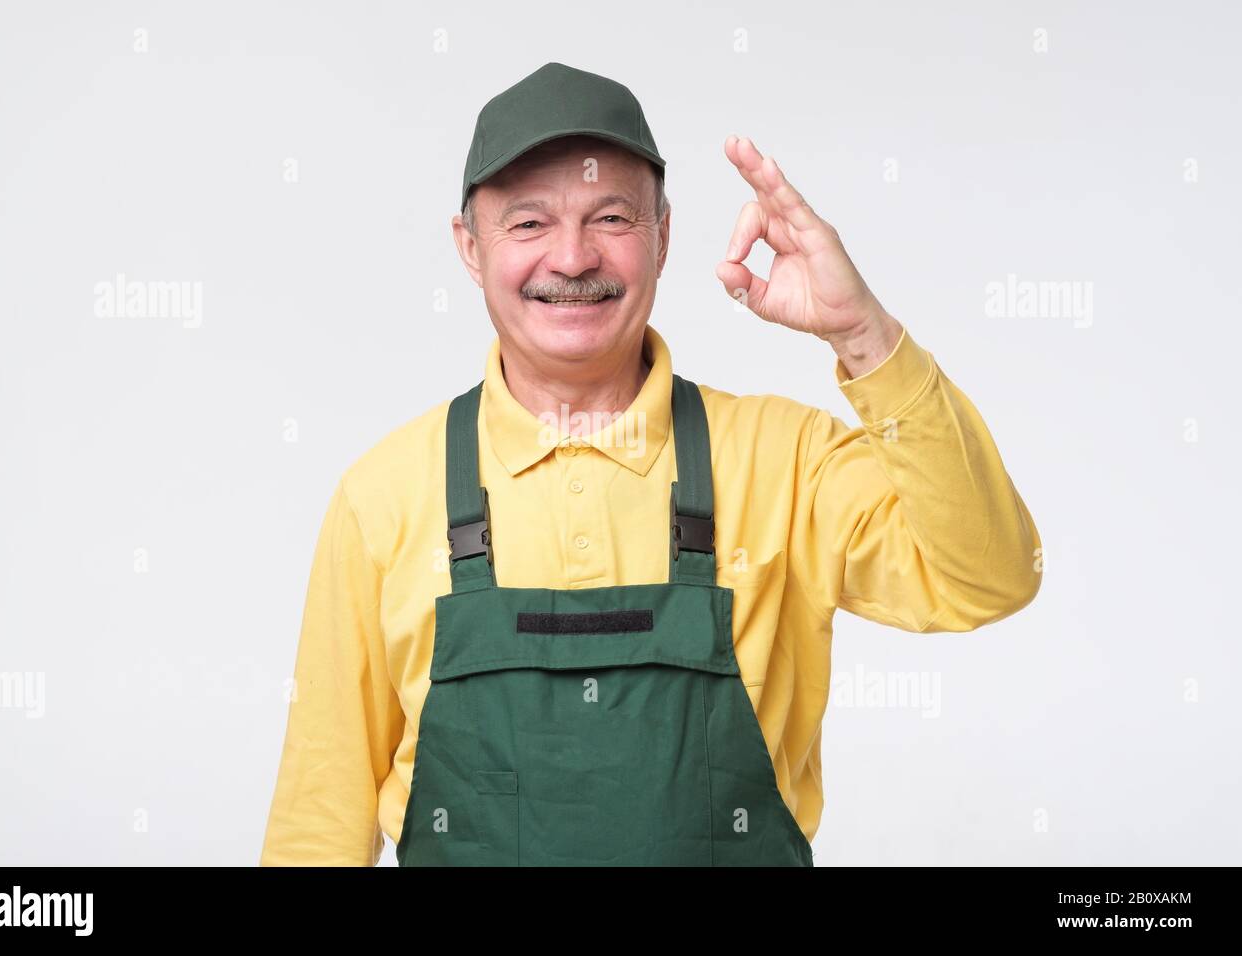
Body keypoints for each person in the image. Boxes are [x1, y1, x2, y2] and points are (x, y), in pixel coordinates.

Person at [260, 61, 1042, 866]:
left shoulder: (786, 461)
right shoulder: (383, 496)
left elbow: (991, 576)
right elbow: (318, 820)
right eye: (528, 224)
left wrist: (863, 335)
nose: (571, 258)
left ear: (664, 235)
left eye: (611, 217)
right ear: (469, 246)